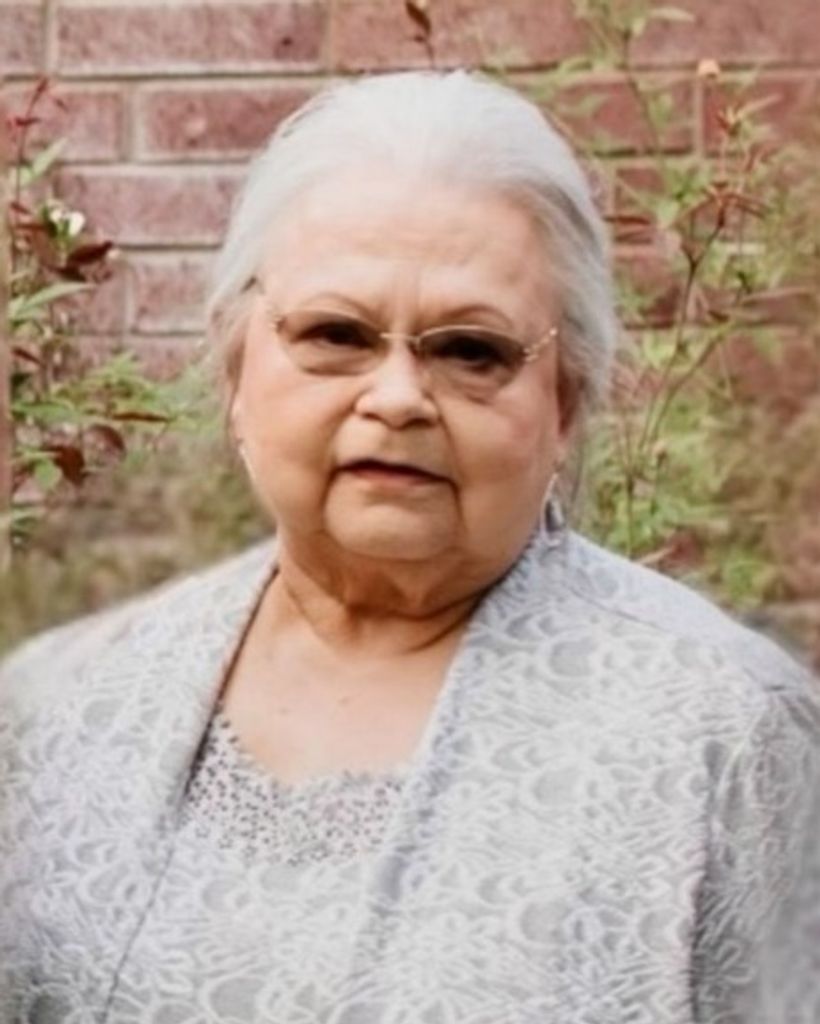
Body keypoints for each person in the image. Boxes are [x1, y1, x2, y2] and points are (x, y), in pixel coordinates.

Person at [1, 70, 818, 1024]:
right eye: (336, 334)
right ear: (235, 371)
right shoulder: (59, 711)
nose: (396, 398)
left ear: (563, 404)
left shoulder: (727, 742)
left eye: (471, 351)